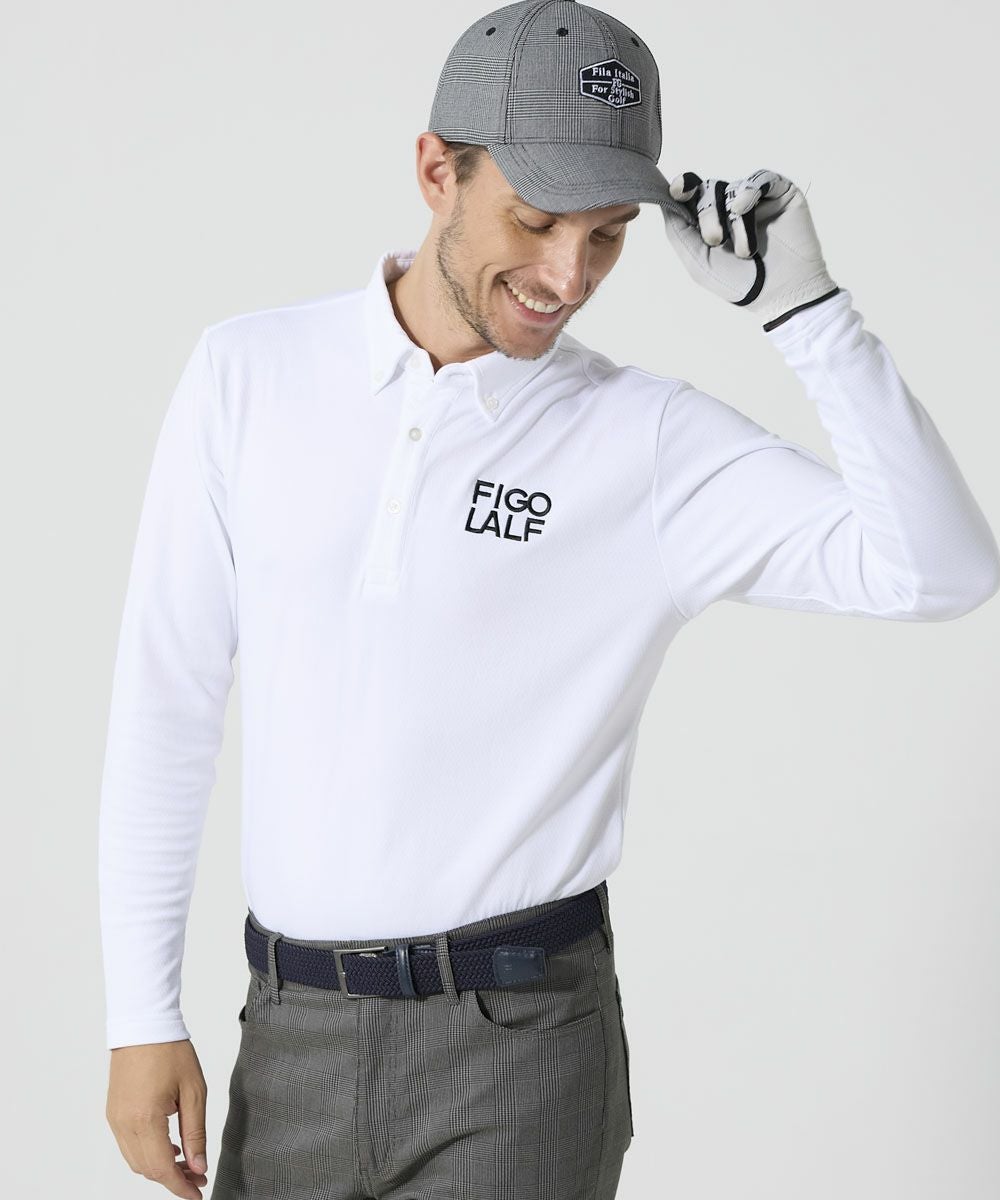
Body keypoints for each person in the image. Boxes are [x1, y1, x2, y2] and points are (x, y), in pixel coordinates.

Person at [99, 1, 1000, 1198]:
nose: (568, 277)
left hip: (518, 1051)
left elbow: (940, 570)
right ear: (437, 171)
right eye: (534, 222)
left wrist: (811, 318)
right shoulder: (247, 374)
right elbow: (167, 700)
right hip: (290, 1033)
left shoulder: (646, 440)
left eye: (608, 235)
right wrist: (139, 1012)